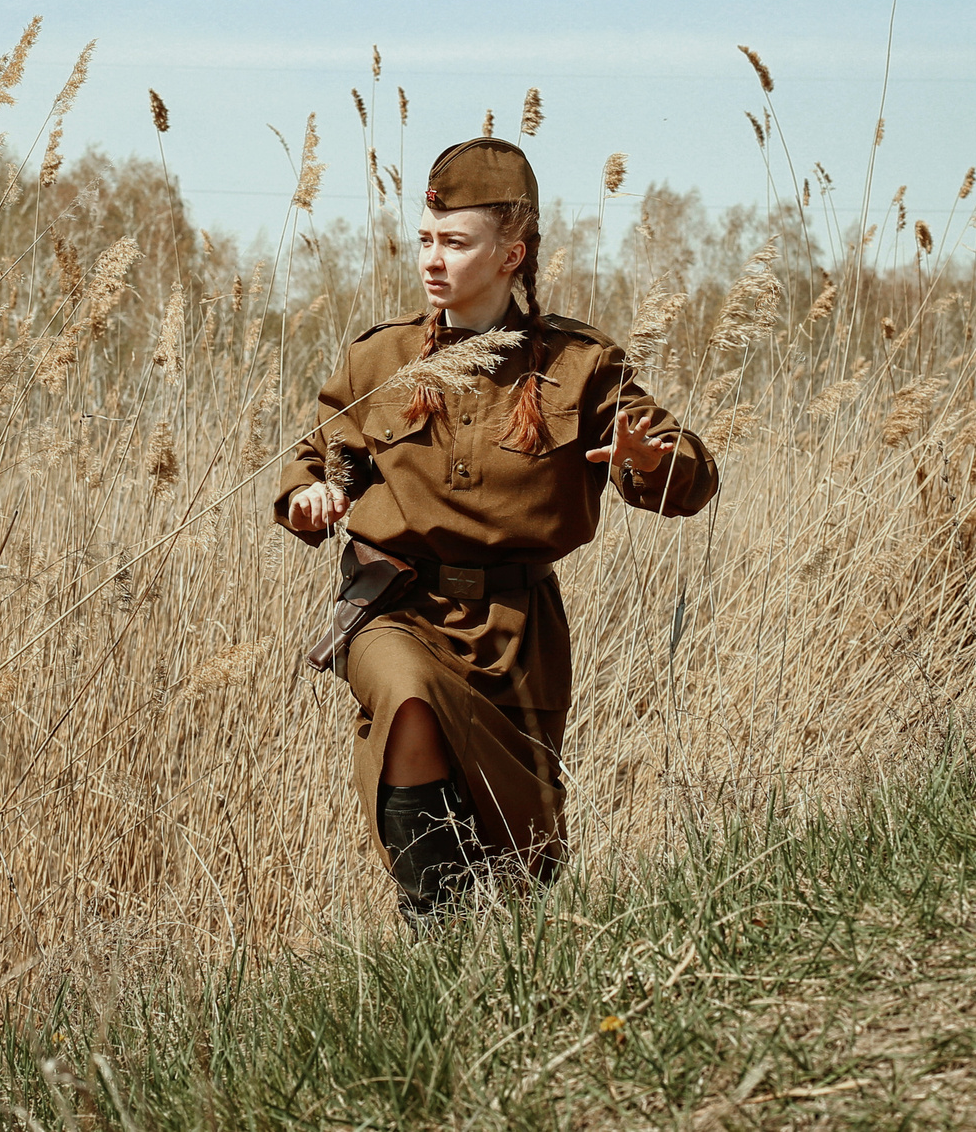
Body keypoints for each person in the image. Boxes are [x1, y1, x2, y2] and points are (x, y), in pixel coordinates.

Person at [274, 137, 719, 924]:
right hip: (396, 607)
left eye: (454, 242)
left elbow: (689, 476)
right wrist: (312, 494)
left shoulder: (582, 366)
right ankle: (432, 946)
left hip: (518, 635)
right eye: (424, 240)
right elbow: (317, 456)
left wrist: (652, 460)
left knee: (522, 870)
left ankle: (496, 964)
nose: (432, 260)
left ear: (512, 252)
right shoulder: (379, 358)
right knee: (408, 703)